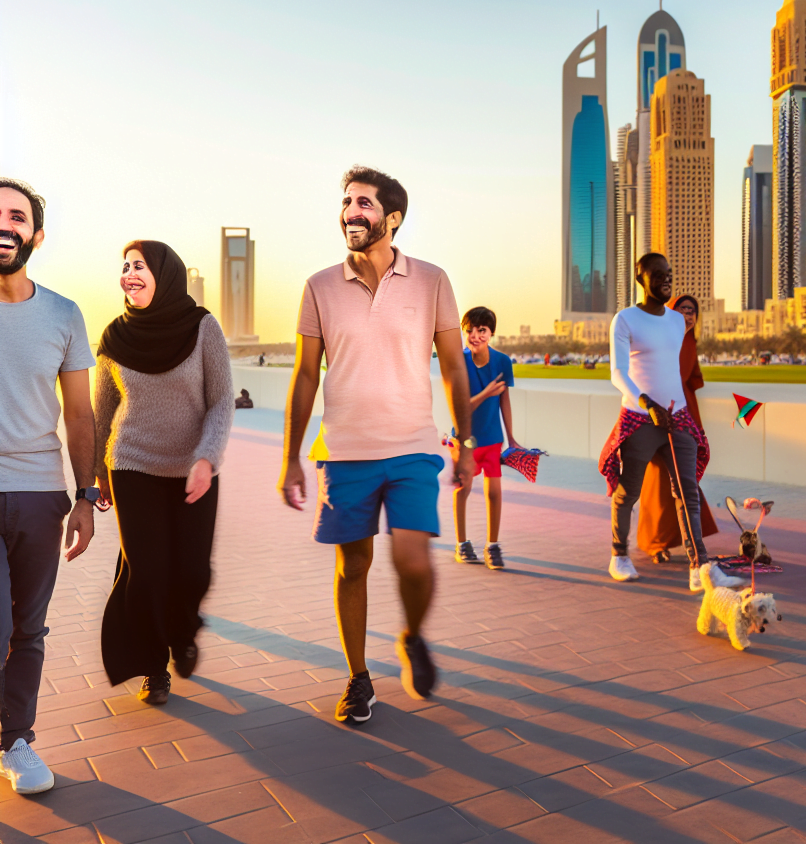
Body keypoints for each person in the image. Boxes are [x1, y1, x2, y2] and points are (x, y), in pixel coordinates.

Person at [278, 167, 473, 725]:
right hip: (344, 452)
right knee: (353, 567)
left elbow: (455, 366)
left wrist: (463, 440)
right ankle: (358, 678)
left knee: (412, 558)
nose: (349, 213)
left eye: (362, 204)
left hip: (413, 445)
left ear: (392, 218)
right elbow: (305, 376)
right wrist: (291, 456)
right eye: (345, 203)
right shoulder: (319, 285)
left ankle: (412, 635)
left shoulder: (432, 279)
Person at [95, 241, 233, 706]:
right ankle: (154, 668)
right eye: (125, 267)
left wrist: (206, 458)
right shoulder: (114, 338)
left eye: (139, 266)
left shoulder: (202, 327)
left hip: (194, 469)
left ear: (164, 273)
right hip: (132, 466)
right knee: (147, 572)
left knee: (193, 570)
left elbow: (221, 401)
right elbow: (102, 413)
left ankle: (184, 632)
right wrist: (97, 472)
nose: (129, 274)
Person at [0, 178, 97, 794]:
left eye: (16, 215)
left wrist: (86, 497)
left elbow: (81, 415)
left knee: (28, 628)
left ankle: (16, 740)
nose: (2, 223)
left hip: (39, 491)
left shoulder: (63, 314)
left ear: (35, 234)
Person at [599, 253, 743, 591]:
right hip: (640, 418)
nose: (667, 279)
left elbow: (670, 369)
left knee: (687, 492)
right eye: (659, 274)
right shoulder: (625, 320)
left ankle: (700, 568)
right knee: (628, 492)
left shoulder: (677, 322)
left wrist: (677, 409)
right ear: (641, 279)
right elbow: (618, 372)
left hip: (677, 418)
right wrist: (647, 404)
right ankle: (618, 556)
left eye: (670, 274)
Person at [637, 295, 719, 563]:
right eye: (682, 309)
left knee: (684, 479)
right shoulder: (662, 342)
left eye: (693, 311)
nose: (688, 314)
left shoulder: (690, 342)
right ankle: (654, 542)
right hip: (660, 415)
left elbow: (693, 380)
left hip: (684, 417)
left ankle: (688, 543)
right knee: (659, 476)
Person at [452, 306, 519, 570]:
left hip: (492, 439)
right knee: (463, 489)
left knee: (494, 492)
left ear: (491, 333)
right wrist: (486, 393)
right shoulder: (458, 361)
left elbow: (505, 401)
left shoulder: (503, 362)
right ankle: (461, 544)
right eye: (470, 330)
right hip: (465, 440)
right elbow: (460, 407)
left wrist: (512, 439)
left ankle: (492, 546)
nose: (475, 335)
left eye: (482, 330)